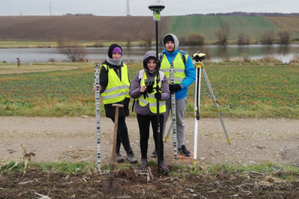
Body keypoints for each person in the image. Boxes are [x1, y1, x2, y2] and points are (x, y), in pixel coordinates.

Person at [152, 33, 195, 157]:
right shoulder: (159, 57)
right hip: (164, 96)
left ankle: (180, 145)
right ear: (164, 44)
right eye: (167, 43)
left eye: (171, 42)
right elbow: (153, 75)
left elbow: (192, 75)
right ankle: (158, 146)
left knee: (180, 122)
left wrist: (180, 86)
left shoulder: (184, 56)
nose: (169, 45)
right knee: (161, 122)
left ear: (175, 43)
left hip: (180, 95)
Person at [94, 43, 138, 164]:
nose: (117, 56)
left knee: (119, 128)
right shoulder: (105, 67)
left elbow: (127, 83)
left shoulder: (124, 66)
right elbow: (102, 83)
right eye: (114, 53)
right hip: (112, 104)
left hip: (124, 102)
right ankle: (129, 153)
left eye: (119, 53)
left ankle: (117, 153)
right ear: (110, 54)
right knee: (122, 127)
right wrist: (99, 88)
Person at [129, 51, 170, 174]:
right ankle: (144, 159)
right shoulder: (139, 75)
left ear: (157, 63)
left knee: (158, 136)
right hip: (143, 111)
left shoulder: (162, 76)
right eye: (149, 62)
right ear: (145, 63)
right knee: (144, 136)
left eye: (154, 62)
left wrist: (160, 95)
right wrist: (140, 90)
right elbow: (132, 93)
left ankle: (161, 161)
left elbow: (167, 94)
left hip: (158, 112)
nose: (151, 65)